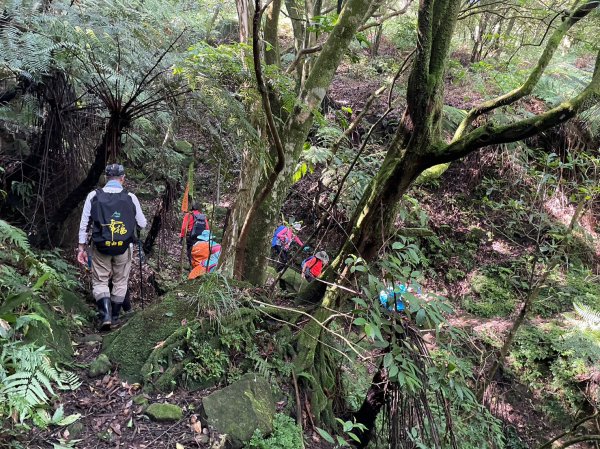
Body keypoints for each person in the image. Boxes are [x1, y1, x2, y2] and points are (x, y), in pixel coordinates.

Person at [77, 164, 147, 330]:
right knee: (120, 281)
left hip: (100, 246)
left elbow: (84, 223)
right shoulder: (130, 197)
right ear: (123, 178)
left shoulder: (94, 195)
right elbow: (142, 224)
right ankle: (115, 317)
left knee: (100, 280)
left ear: (106, 178)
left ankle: (105, 315)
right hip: (124, 247)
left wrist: (81, 247)